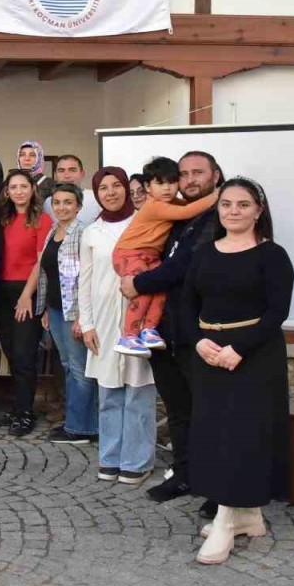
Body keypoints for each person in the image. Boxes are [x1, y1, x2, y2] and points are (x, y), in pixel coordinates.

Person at [181, 178, 294, 565]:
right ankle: (248, 516)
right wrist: (198, 341)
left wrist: (238, 349)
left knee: (243, 437)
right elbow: (186, 305)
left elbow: (277, 313)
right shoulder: (204, 253)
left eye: (243, 205)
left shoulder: (273, 256)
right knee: (215, 435)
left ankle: (226, 522)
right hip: (209, 355)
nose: (233, 211)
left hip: (254, 359)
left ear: (258, 210)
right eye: (226, 204)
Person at [126, 151, 223, 508]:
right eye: (183, 174)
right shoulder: (178, 214)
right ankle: (185, 477)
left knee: (206, 411)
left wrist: (138, 283)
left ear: (216, 176)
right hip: (163, 331)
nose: (189, 180)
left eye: (198, 172)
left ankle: (218, 488)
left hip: (198, 333)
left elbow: (185, 265)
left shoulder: (217, 216)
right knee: (178, 410)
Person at [76, 167, 157, 487]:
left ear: (127, 188)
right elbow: (83, 281)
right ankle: (110, 457)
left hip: (136, 318)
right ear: (96, 194)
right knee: (109, 392)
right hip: (104, 322)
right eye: (104, 188)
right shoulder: (91, 232)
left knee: (138, 391)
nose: (111, 193)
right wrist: (87, 324)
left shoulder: (144, 223)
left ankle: (137, 460)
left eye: (117, 186)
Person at [111, 157, 217, 356]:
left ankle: (148, 329)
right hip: (130, 253)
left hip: (150, 255)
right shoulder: (155, 205)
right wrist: (216, 196)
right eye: (160, 183)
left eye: (172, 182)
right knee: (141, 291)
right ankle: (129, 335)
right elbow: (188, 211)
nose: (167, 188)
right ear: (148, 187)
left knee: (159, 291)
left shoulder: (171, 201)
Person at [0, 169, 53, 436]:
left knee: (24, 354)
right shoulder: (1, 218)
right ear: (7, 191)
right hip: (1, 292)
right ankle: (18, 407)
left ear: (32, 189)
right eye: (13, 187)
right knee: (10, 352)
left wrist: (26, 296)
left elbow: (41, 262)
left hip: (26, 292)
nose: (18, 191)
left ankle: (26, 412)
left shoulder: (42, 220)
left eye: (23, 186)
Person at [37, 184, 96, 445]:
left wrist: (84, 316)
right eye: (57, 202)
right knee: (67, 367)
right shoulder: (53, 231)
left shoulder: (84, 233)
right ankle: (76, 422)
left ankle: (83, 428)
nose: (62, 207)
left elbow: (88, 277)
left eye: (68, 202)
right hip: (57, 310)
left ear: (79, 206)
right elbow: (48, 274)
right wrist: (46, 309)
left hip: (76, 311)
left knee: (80, 369)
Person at [44, 155, 101, 225]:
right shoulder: (48, 202)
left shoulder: (96, 197)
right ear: (55, 175)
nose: (67, 176)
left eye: (72, 170)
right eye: (61, 171)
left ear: (82, 174)